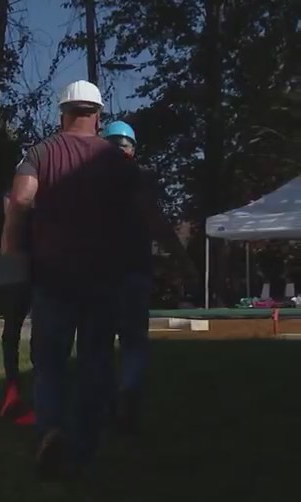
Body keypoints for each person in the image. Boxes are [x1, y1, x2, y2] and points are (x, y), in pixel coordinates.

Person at [1, 80, 147, 478]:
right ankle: (85, 447)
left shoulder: (42, 152)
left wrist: (13, 252)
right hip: (105, 278)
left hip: (52, 275)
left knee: (48, 362)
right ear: (98, 117)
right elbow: (139, 216)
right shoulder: (119, 162)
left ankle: (50, 432)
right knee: (96, 359)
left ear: (62, 113)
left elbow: (21, 199)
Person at [101, 120, 195, 433]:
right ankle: (128, 394)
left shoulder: (90, 179)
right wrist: (181, 258)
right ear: (132, 148)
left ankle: (105, 403)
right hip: (133, 271)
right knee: (133, 343)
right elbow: (155, 220)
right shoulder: (138, 178)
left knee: (99, 342)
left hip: (99, 272)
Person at [0, 192, 36, 426]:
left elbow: (6, 245)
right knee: (16, 333)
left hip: (24, 275)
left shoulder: (17, 213)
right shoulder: (26, 211)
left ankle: (16, 390)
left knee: (13, 334)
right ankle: (16, 391)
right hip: (26, 275)